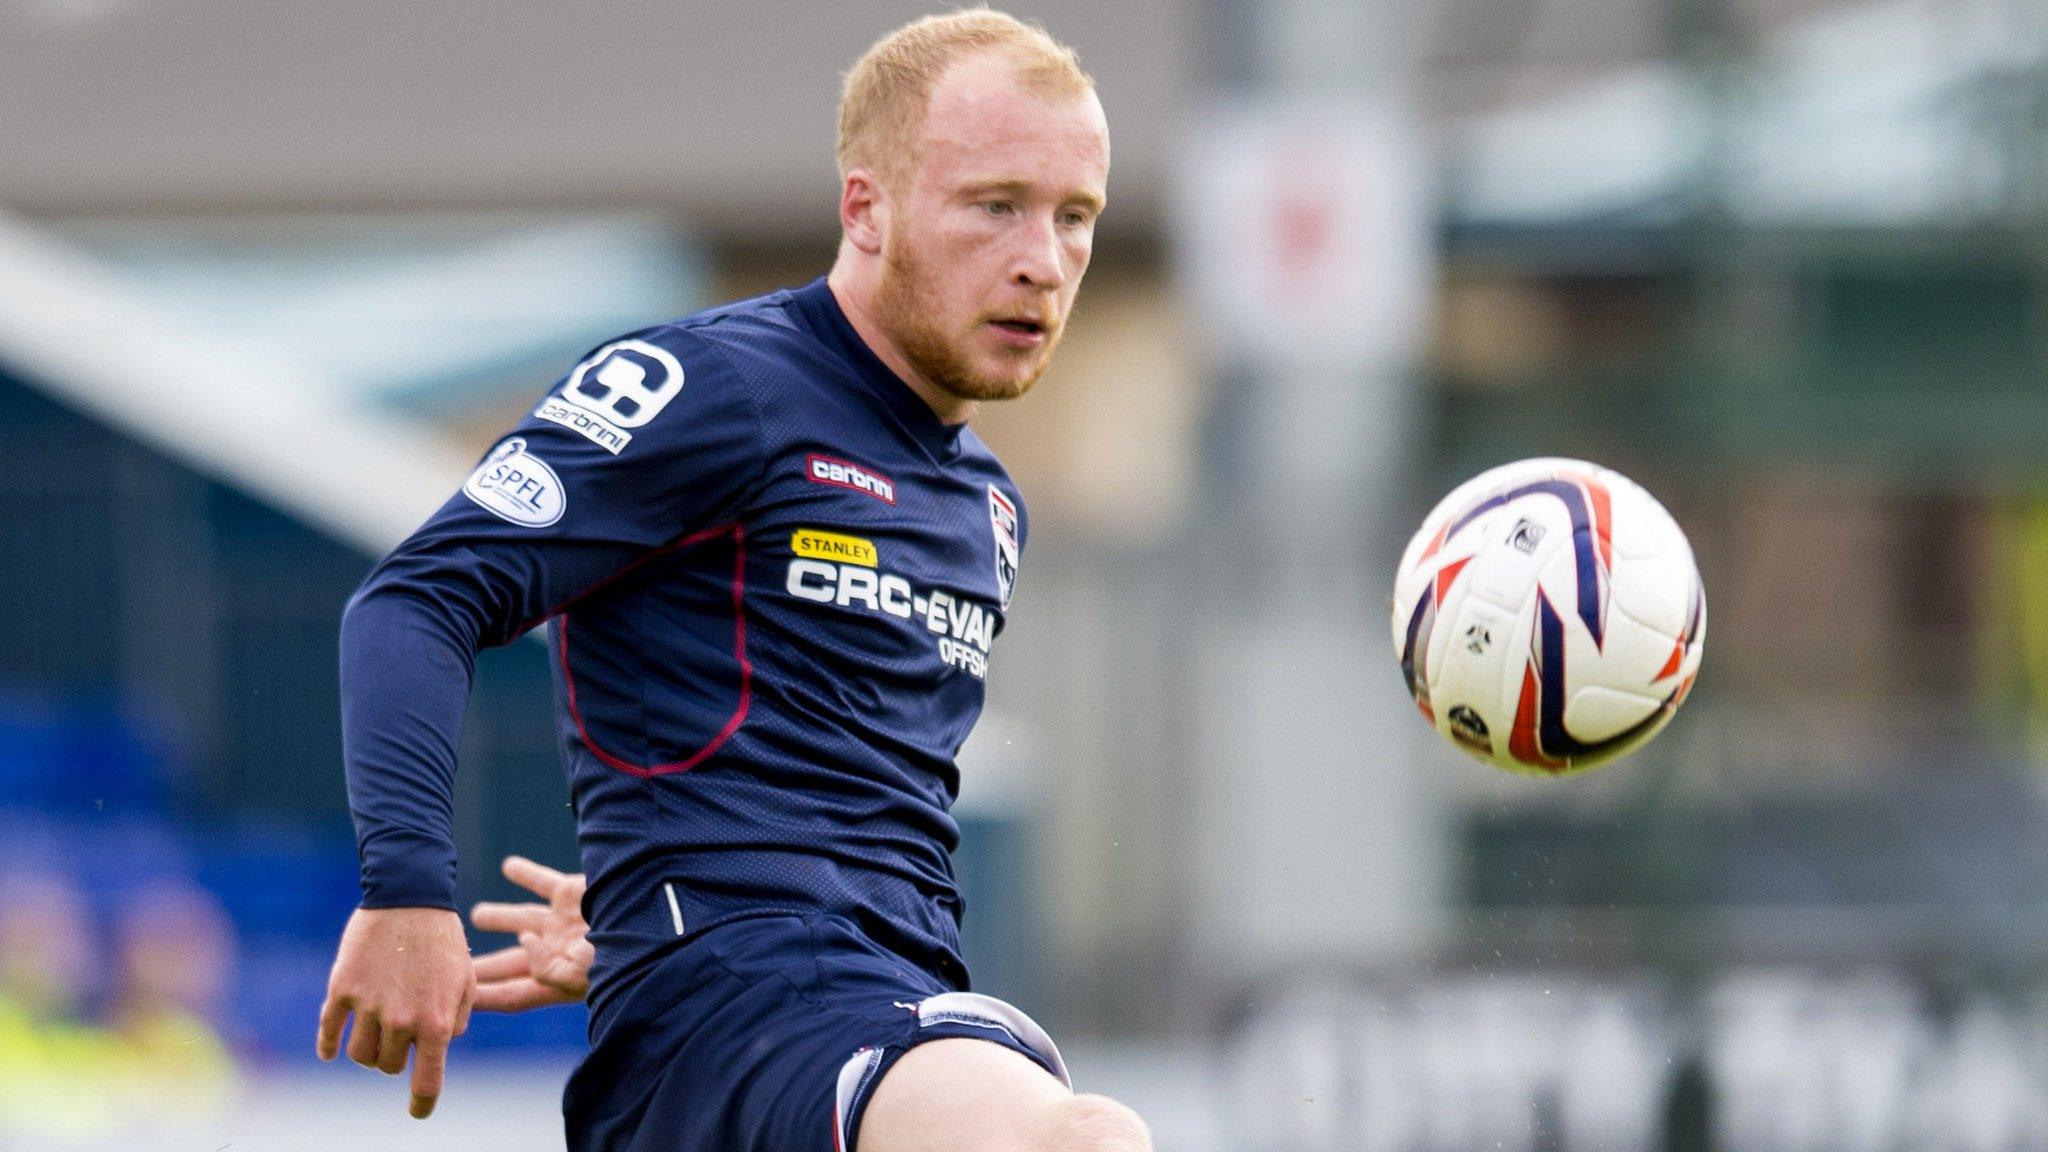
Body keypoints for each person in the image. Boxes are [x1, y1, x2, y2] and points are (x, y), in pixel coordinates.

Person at [316, 8, 1151, 1150]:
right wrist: (407, 891)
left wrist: (631, 921)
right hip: (727, 1025)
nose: (1040, 260)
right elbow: (418, 599)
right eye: (994, 204)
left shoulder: (988, 504)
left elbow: (837, 803)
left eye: (1075, 217)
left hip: (871, 1006)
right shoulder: (708, 388)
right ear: (865, 207)